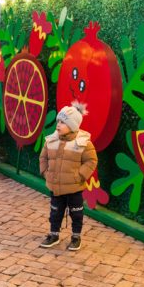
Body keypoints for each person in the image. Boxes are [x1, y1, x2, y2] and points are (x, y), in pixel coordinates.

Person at [38, 102, 98, 251]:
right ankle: (54, 234)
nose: (58, 125)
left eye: (63, 122)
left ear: (72, 126)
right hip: (55, 186)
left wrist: (79, 176)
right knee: (55, 211)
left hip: (74, 187)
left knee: (76, 212)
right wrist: (46, 173)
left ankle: (76, 236)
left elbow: (91, 160)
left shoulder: (83, 143)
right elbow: (43, 158)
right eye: (58, 121)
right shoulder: (51, 141)